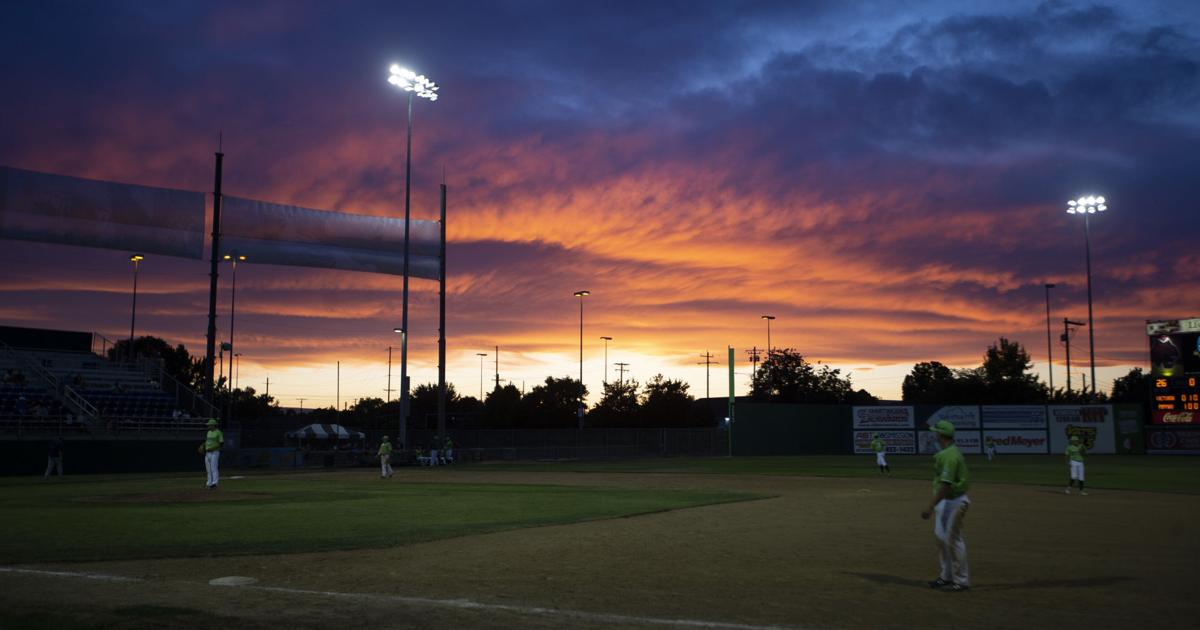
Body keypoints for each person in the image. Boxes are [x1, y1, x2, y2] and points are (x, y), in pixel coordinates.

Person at [921, 420, 970, 592]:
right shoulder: (948, 452)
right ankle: (946, 576)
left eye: (936, 432)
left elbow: (946, 485)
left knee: (953, 540)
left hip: (954, 501)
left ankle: (961, 581)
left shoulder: (950, 456)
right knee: (941, 538)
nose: (934, 434)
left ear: (941, 435)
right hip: (946, 501)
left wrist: (929, 507)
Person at [202, 418, 224, 489]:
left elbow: (221, 443)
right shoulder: (208, 432)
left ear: (213, 425)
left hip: (214, 452)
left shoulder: (218, 432)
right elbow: (207, 441)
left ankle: (215, 483)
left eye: (209, 425)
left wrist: (212, 448)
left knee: (214, 468)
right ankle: (209, 483)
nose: (208, 426)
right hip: (207, 452)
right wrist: (203, 445)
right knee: (208, 469)